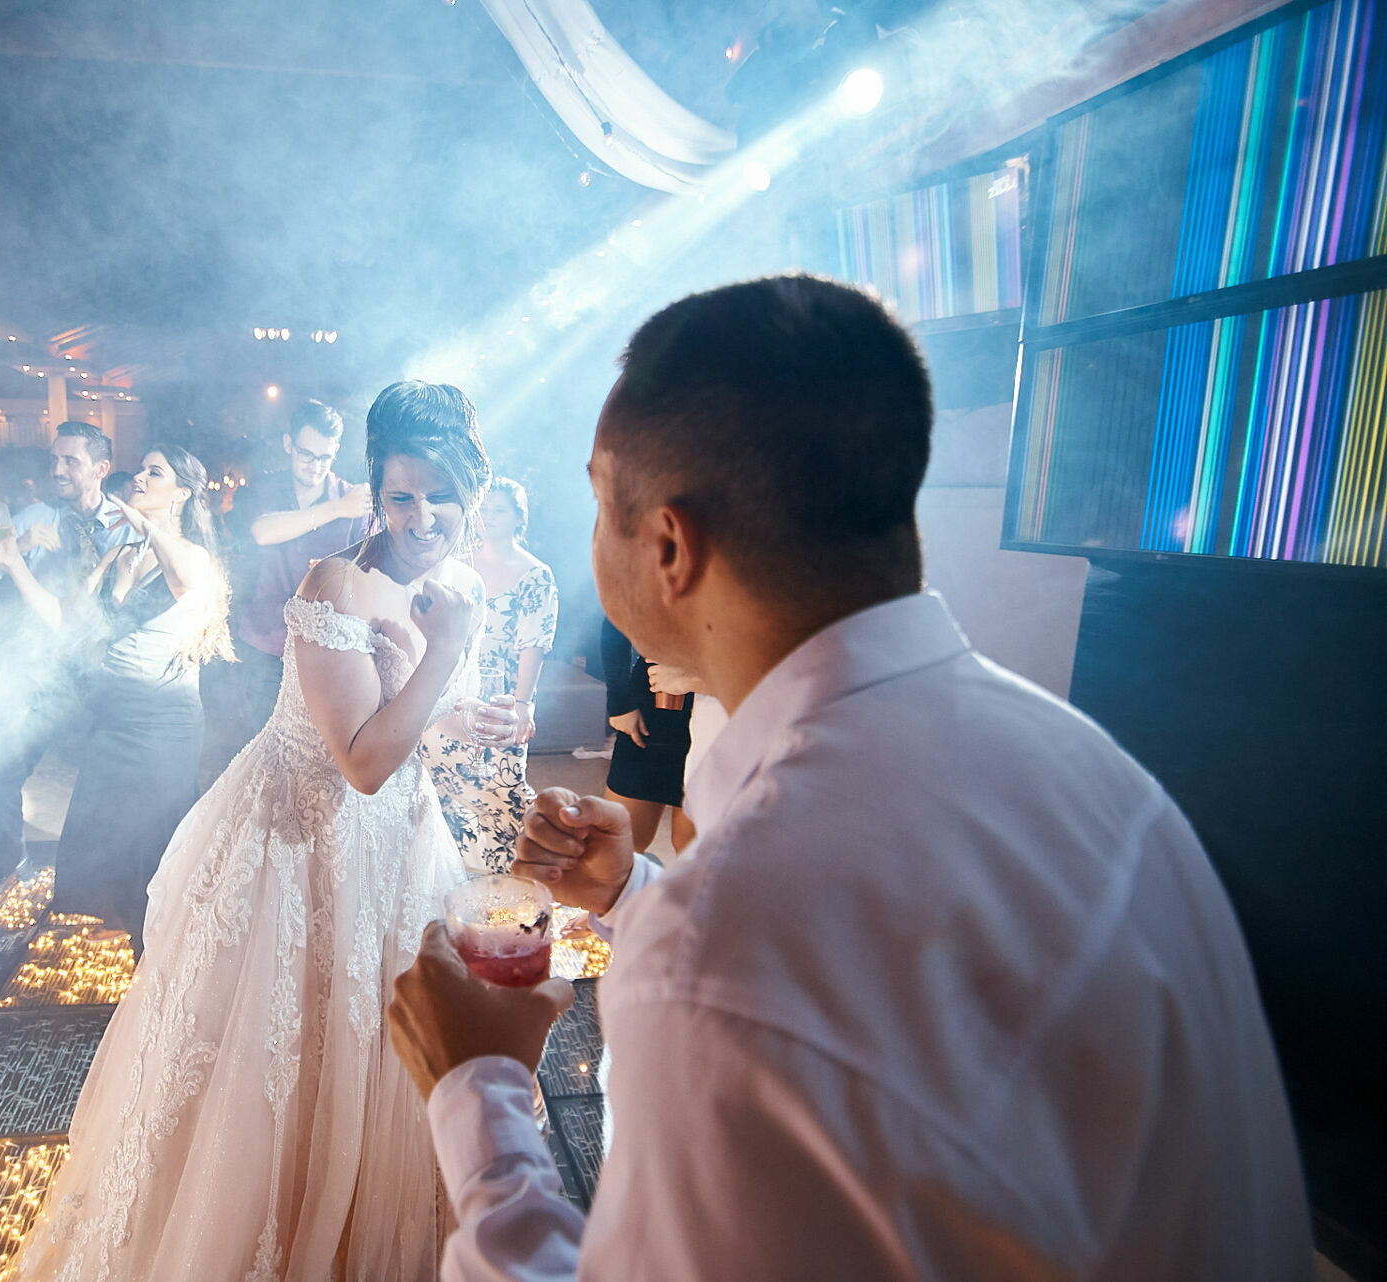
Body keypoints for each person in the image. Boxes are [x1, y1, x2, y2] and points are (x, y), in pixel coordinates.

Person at [388, 276, 1313, 1281]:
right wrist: (635, 896)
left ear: (670, 545)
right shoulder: (1096, 772)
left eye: (603, 504)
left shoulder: (719, 950)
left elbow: (767, 969)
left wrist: (475, 1088)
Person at [11, 382, 499, 1281]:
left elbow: (413, 721)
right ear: (375, 494)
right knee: (279, 1069)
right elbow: (362, 760)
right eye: (400, 496)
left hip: (398, 844)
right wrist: (445, 654)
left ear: (477, 491)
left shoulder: (454, 586)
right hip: (300, 849)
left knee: (385, 1051)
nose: (420, 517)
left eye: (440, 495)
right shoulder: (334, 584)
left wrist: (473, 716)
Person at [0, 444, 230, 941]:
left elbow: (184, 579)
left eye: (154, 473)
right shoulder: (120, 553)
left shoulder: (193, 556)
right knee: (110, 830)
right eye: (140, 469)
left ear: (181, 493)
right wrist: (13, 564)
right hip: (114, 715)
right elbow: (64, 619)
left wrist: (148, 527)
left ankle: (157, 948)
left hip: (163, 721)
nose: (138, 477)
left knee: (152, 838)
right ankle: (129, 923)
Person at [0, 420, 139, 901]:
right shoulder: (34, 517)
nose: (57, 469)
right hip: (40, 671)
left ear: (100, 468)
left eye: (70, 461)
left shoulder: (126, 524)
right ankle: (9, 859)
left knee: (105, 782)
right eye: (54, 460)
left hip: (104, 671)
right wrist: (16, 549)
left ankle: (104, 884)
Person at [221, 398, 374, 758]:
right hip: (266, 640)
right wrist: (336, 509)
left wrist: (339, 575)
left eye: (325, 457)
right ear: (288, 444)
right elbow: (261, 531)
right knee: (261, 748)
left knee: (316, 754)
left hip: (326, 649)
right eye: (307, 455)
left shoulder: (355, 499)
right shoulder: (266, 489)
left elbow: (372, 574)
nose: (315, 466)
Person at [425, 476, 558, 873]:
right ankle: (447, 876)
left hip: (500, 695)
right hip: (452, 692)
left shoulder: (535, 574)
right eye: (484, 509)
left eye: (499, 510)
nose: (489, 517)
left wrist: (523, 703)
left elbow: (534, 643)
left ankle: (514, 876)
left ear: (519, 518)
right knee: (439, 788)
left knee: (502, 789)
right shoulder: (457, 562)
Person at [599, 618, 694, 855]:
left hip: (714, 708)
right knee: (619, 840)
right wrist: (620, 704)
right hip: (651, 700)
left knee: (692, 847)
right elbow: (615, 625)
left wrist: (696, 677)